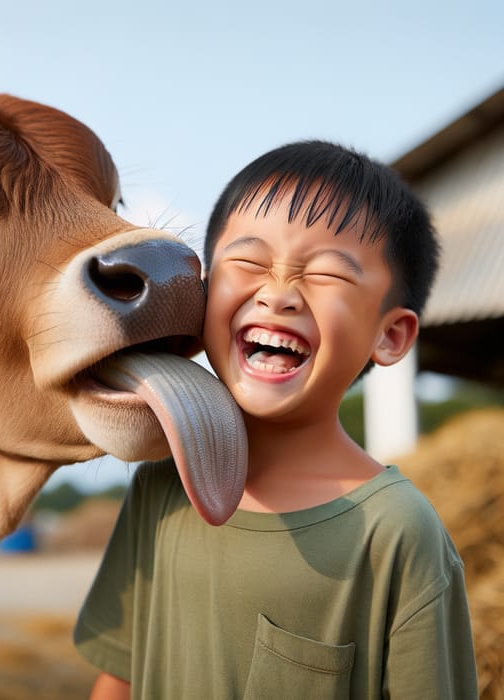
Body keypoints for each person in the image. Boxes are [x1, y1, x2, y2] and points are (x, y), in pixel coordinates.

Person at [73, 140, 478, 699]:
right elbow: (119, 675)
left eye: (328, 276)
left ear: (390, 335)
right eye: (249, 262)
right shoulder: (162, 488)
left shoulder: (398, 533)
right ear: (205, 288)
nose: (279, 294)